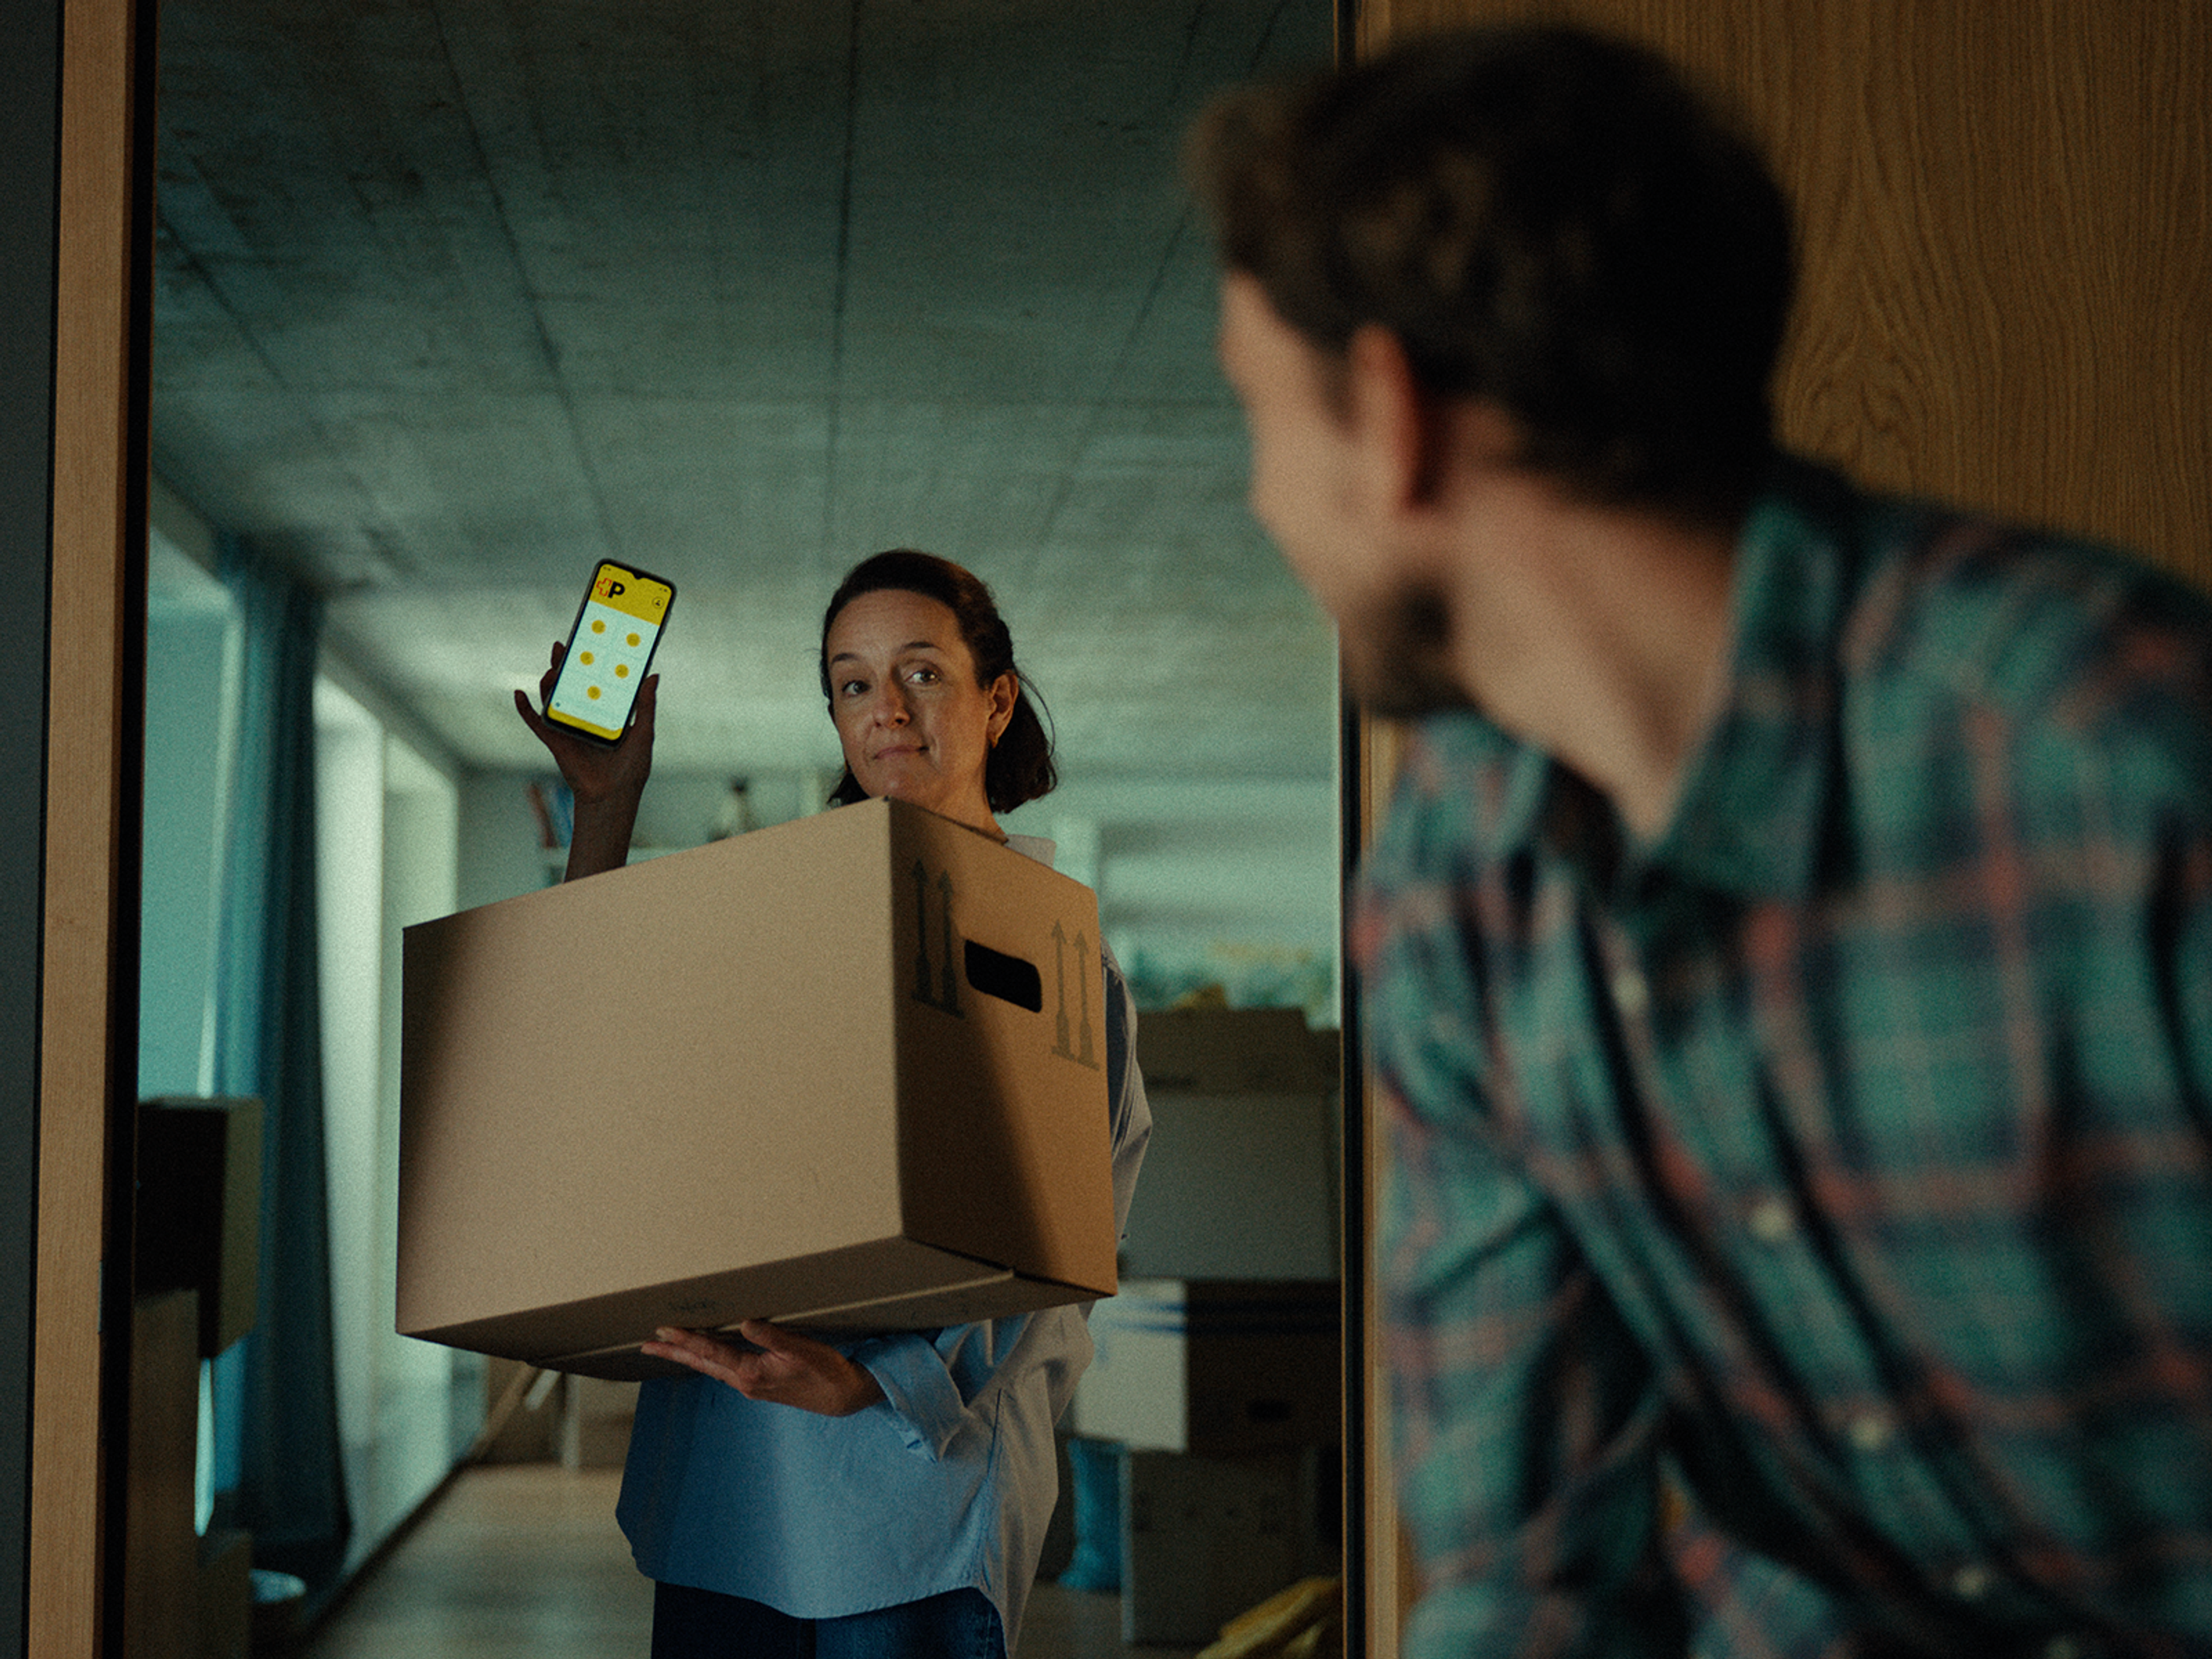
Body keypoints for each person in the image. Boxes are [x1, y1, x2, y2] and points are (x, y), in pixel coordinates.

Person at [1190, 24, 2212, 1659]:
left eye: (1259, 417)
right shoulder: (1456, 878)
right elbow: (1521, 1584)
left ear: (1389, 417)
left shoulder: (2126, 763)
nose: (1261, 501)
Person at [516, 548, 1151, 1658]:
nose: (887, 711)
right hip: (727, 1482)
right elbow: (614, 1054)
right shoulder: (781, 909)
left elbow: (1065, 1229)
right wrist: (604, 811)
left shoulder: (1048, 952)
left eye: (922, 673)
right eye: (853, 683)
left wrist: (875, 1379)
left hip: (907, 1505)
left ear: (996, 701)